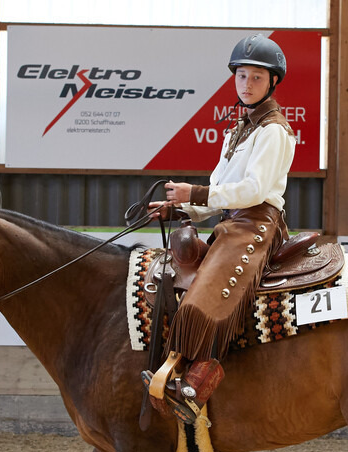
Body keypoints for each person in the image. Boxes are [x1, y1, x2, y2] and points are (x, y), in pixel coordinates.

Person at [144, 33, 296, 425]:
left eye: (256, 78)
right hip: (233, 222)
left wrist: (193, 190)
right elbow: (220, 194)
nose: (247, 84)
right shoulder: (236, 133)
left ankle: (195, 388)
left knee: (206, 297)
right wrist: (180, 207)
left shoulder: (273, 130)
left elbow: (253, 191)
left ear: (273, 82)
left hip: (257, 224)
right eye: (241, 76)